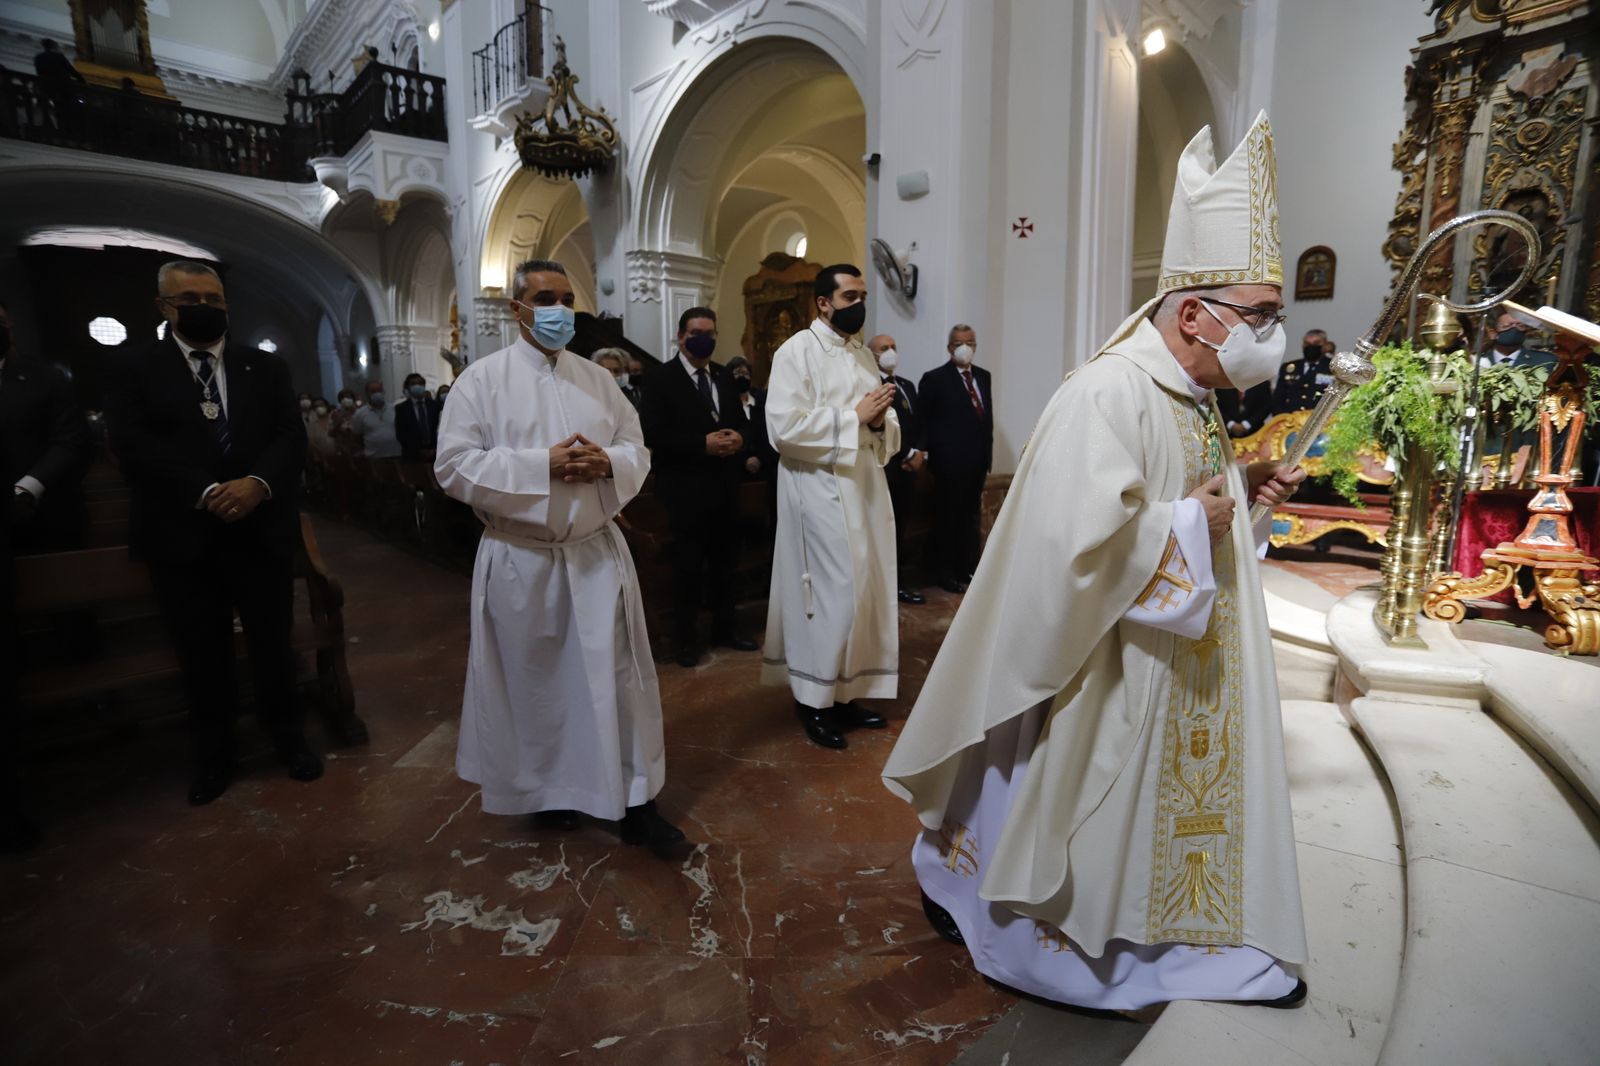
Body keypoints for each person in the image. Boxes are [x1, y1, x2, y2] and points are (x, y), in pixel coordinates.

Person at [884, 112, 1310, 1011]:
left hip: (1169, 655)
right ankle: (1041, 928)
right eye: (1260, 316)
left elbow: (1193, 500)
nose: (1271, 334)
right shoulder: (1107, 393)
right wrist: (1187, 525)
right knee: (1042, 802)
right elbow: (1072, 549)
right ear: (1193, 313)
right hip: (1097, 670)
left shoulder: (1192, 393)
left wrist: (1242, 491)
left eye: (1276, 316)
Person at [434, 258, 682, 848]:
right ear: (516, 307)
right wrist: (538, 464)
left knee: (619, 680)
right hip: (523, 560)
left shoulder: (598, 380)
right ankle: (548, 793)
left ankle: (636, 799)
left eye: (567, 298)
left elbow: (635, 448)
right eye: (545, 297)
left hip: (596, 555)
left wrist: (610, 463)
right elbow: (452, 467)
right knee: (538, 684)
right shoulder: (481, 381)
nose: (560, 310)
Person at [104, 260, 320, 806]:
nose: (206, 306)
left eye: (215, 298)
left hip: (259, 527)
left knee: (273, 643)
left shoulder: (262, 368)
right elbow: (134, 446)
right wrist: (206, 491)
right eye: (191, 297)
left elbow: (289, 437)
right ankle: (215, 754)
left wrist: (257, 483)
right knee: (201, 651)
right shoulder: (136, 368)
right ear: (165, 307)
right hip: (182, 533)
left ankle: (289, 738)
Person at [763, 264, 900, 750]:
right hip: (818, 489)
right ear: (823, 302)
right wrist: (854, 418)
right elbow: (783, 428)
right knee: (828, 595)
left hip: (863, 486)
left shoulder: (862, 354)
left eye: (862, 294)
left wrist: (881, 423)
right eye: (849, 295)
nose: (858, 303)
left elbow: (881, 423)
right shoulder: (795, 351)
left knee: (863, 591)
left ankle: (847, 693)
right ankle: (813, 701)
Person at [639, 307, 759, 667]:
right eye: (696, 332)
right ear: (681, 336)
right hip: (684, 491)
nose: (703, 338)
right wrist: (701, 445)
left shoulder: (723, 376)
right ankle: (686, 641)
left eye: (710, 332)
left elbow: (744, 423)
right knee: (688, 570)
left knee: (726, 565)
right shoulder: (660, 379)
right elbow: (653, 433)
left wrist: (740, 437)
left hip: (724, 487)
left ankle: (726, 628)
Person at [1, 299, 90, 554]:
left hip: (42, 515)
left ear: (10, 326)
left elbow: (70, 441)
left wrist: (24, 490)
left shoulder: (46, 377)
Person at [917, 325, 994, 593]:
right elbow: (924, 421)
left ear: (975, 346)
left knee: (970, 520)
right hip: (949, 463)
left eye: (970, 342)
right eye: (959, 342)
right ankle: (945, 573)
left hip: (977, 462)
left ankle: (967, 569)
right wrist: (923, 454)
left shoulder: (983, 376)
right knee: (947, 519)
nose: (964, 347)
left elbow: (986, 419)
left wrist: (987, 454)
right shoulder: (935, 379)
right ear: (950, 347)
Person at [868, 333, 927, 605]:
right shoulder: (871, 385)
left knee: (902, 526)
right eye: (884, 348)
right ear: (872, 354)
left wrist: (919, 453)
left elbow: (916, 421)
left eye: (893, 347)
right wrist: (905, 452)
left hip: (909, 468)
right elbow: (882, 427)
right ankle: (888, 587)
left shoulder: (906, 384)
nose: (890, 352)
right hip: (887, 466)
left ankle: (900, 582)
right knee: (885, 529)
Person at [726, 355, 776, 481]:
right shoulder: (724, 404)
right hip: (734, 472)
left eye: (745, 373)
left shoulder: (763, 401)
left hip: (765, 470)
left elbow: (771, 434)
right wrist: (744, 461)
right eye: (737, 373)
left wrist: (760, 459)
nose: (741, 377)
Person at [1268, 329, 1333, 415]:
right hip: (1289, 421)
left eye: (1316, 344)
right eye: (1307, 344)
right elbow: (1278, 399)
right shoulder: (1289, 368)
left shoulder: (1332, 368)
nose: (1311, 347)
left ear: (1325, 345)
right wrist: (1283, 419)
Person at [348, 379, 400, 459]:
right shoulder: (360, 413)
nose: (377, 393)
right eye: (373, 391)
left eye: (379, 390)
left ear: (383, 392)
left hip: (396, 455)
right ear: (367, 393)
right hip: (373, 457)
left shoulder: (394, 409)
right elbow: (357, 436)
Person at [395, 372, 441, 462]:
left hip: (434, 455)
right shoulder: (401, 408)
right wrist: (418, 451)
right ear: (407, 387)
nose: (418, 386)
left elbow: (438, 428)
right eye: (413, 384)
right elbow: (401, 434)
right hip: (412, 456)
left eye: (420, 383)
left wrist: (434, 449)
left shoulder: (434, 405)